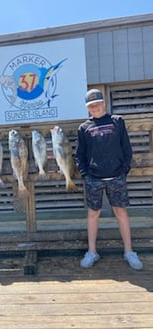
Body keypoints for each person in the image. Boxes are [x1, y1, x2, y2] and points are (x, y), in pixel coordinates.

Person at [76, 88, 143, 270]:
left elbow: (126, 148)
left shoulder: (117, 121)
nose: (95, 108)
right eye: (91, 106)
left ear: (104, 103)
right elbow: (79, 154)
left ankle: (129, 251)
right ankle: (92, 251)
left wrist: (124, 170)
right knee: (93, 214)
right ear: (87, 108)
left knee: (120, 212)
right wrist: (85, 174)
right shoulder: (84, 128)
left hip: (116, 176)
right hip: (94, 178)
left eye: (97, 104)